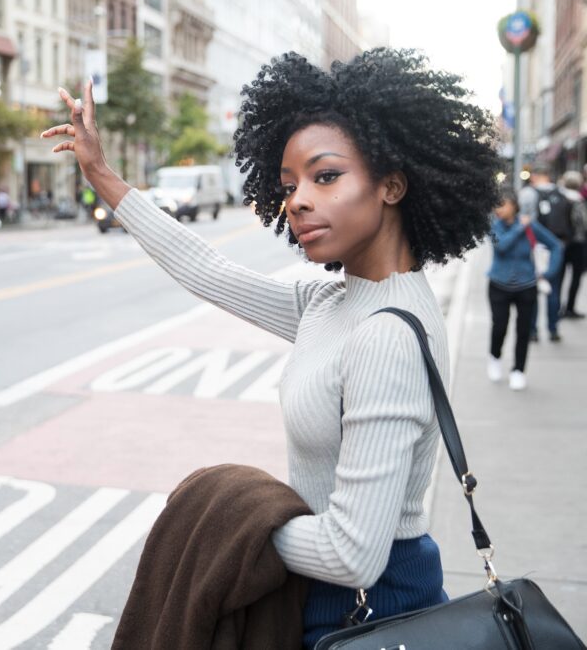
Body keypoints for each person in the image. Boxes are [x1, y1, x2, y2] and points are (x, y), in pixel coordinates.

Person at [42, 49, 501, 648]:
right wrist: (103, 174)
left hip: (370, 614)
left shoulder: (386, 334)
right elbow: (207, 269)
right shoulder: (334, 302)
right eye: (289, 186)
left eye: (325, 175)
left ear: (392, 184)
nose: (298, 200)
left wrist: (233, 523)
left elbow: (352, 555)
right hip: (321, 602)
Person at [487, 194, 563, 390]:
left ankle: (518, 370)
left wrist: (548, 272)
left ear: (514, 205)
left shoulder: (532, 226)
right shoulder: (494, 226)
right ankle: (495, 357)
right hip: (498, 284)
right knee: (500, 326)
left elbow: (557, 246)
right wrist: (521, 227)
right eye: (496, 206)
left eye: (502, 204)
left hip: (527, 285)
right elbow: (501, 247)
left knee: (524, 330)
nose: (498, 209)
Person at [519, 164, 571, 341]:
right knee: (554, 289)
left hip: (534, 247)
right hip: (556, 246)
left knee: (532, 289)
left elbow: (523, 221)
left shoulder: (528, 194)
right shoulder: (562, 194)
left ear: (534, 176)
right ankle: (553, 328)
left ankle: (532, 330)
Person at [559, 171, 587, 318]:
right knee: (576, 277)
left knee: (559, 277)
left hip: (561, 242)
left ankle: (557, 307)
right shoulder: (578, 200)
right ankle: (570, 307)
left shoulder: (559, 198)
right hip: (577, 242)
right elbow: (582, 223)